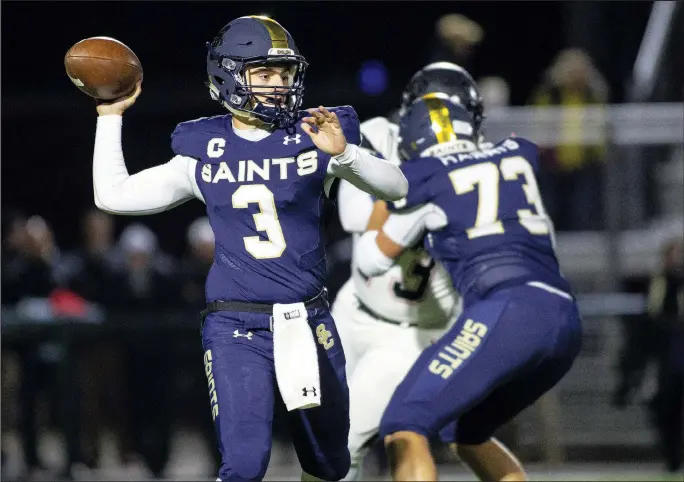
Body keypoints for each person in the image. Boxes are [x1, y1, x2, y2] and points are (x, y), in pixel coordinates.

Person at [88, 14, 407, 482]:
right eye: (263, 73)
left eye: (284, 73)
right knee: (243, 464)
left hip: (307, 317)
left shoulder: (316, 133)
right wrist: (110, 116)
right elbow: (112, 196)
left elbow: (397, 188)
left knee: (330, 466)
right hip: (238, 323)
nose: (278, 85)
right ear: (229, 76)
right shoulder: (205, 147)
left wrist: (345, 154)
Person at [355, 78, 583, 480]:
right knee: (467, 431)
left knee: (403, 424)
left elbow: (372, 260)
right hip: (562, 315)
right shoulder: (516, 151)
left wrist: (381, 201)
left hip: (507, 310)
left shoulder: (421, 177)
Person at [332, 63, 529, 481]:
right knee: (462, 432)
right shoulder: (376, 137)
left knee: (350, 439)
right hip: (355, 307)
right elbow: (356, 217)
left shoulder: (479, 165)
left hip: (418, 327)